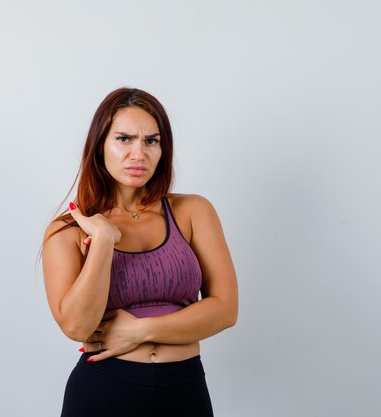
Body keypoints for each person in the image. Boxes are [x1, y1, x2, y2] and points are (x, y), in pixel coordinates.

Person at [40, 87, 238, 416]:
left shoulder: (192, 211)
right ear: (99, 145)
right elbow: (77, 327)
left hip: (184, 389)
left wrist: (141, 330)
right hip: (104, 390)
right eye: (124, 139)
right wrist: (103, 241)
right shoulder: (70, 230)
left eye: (151, 141)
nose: (139, 154)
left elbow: (226, 310)